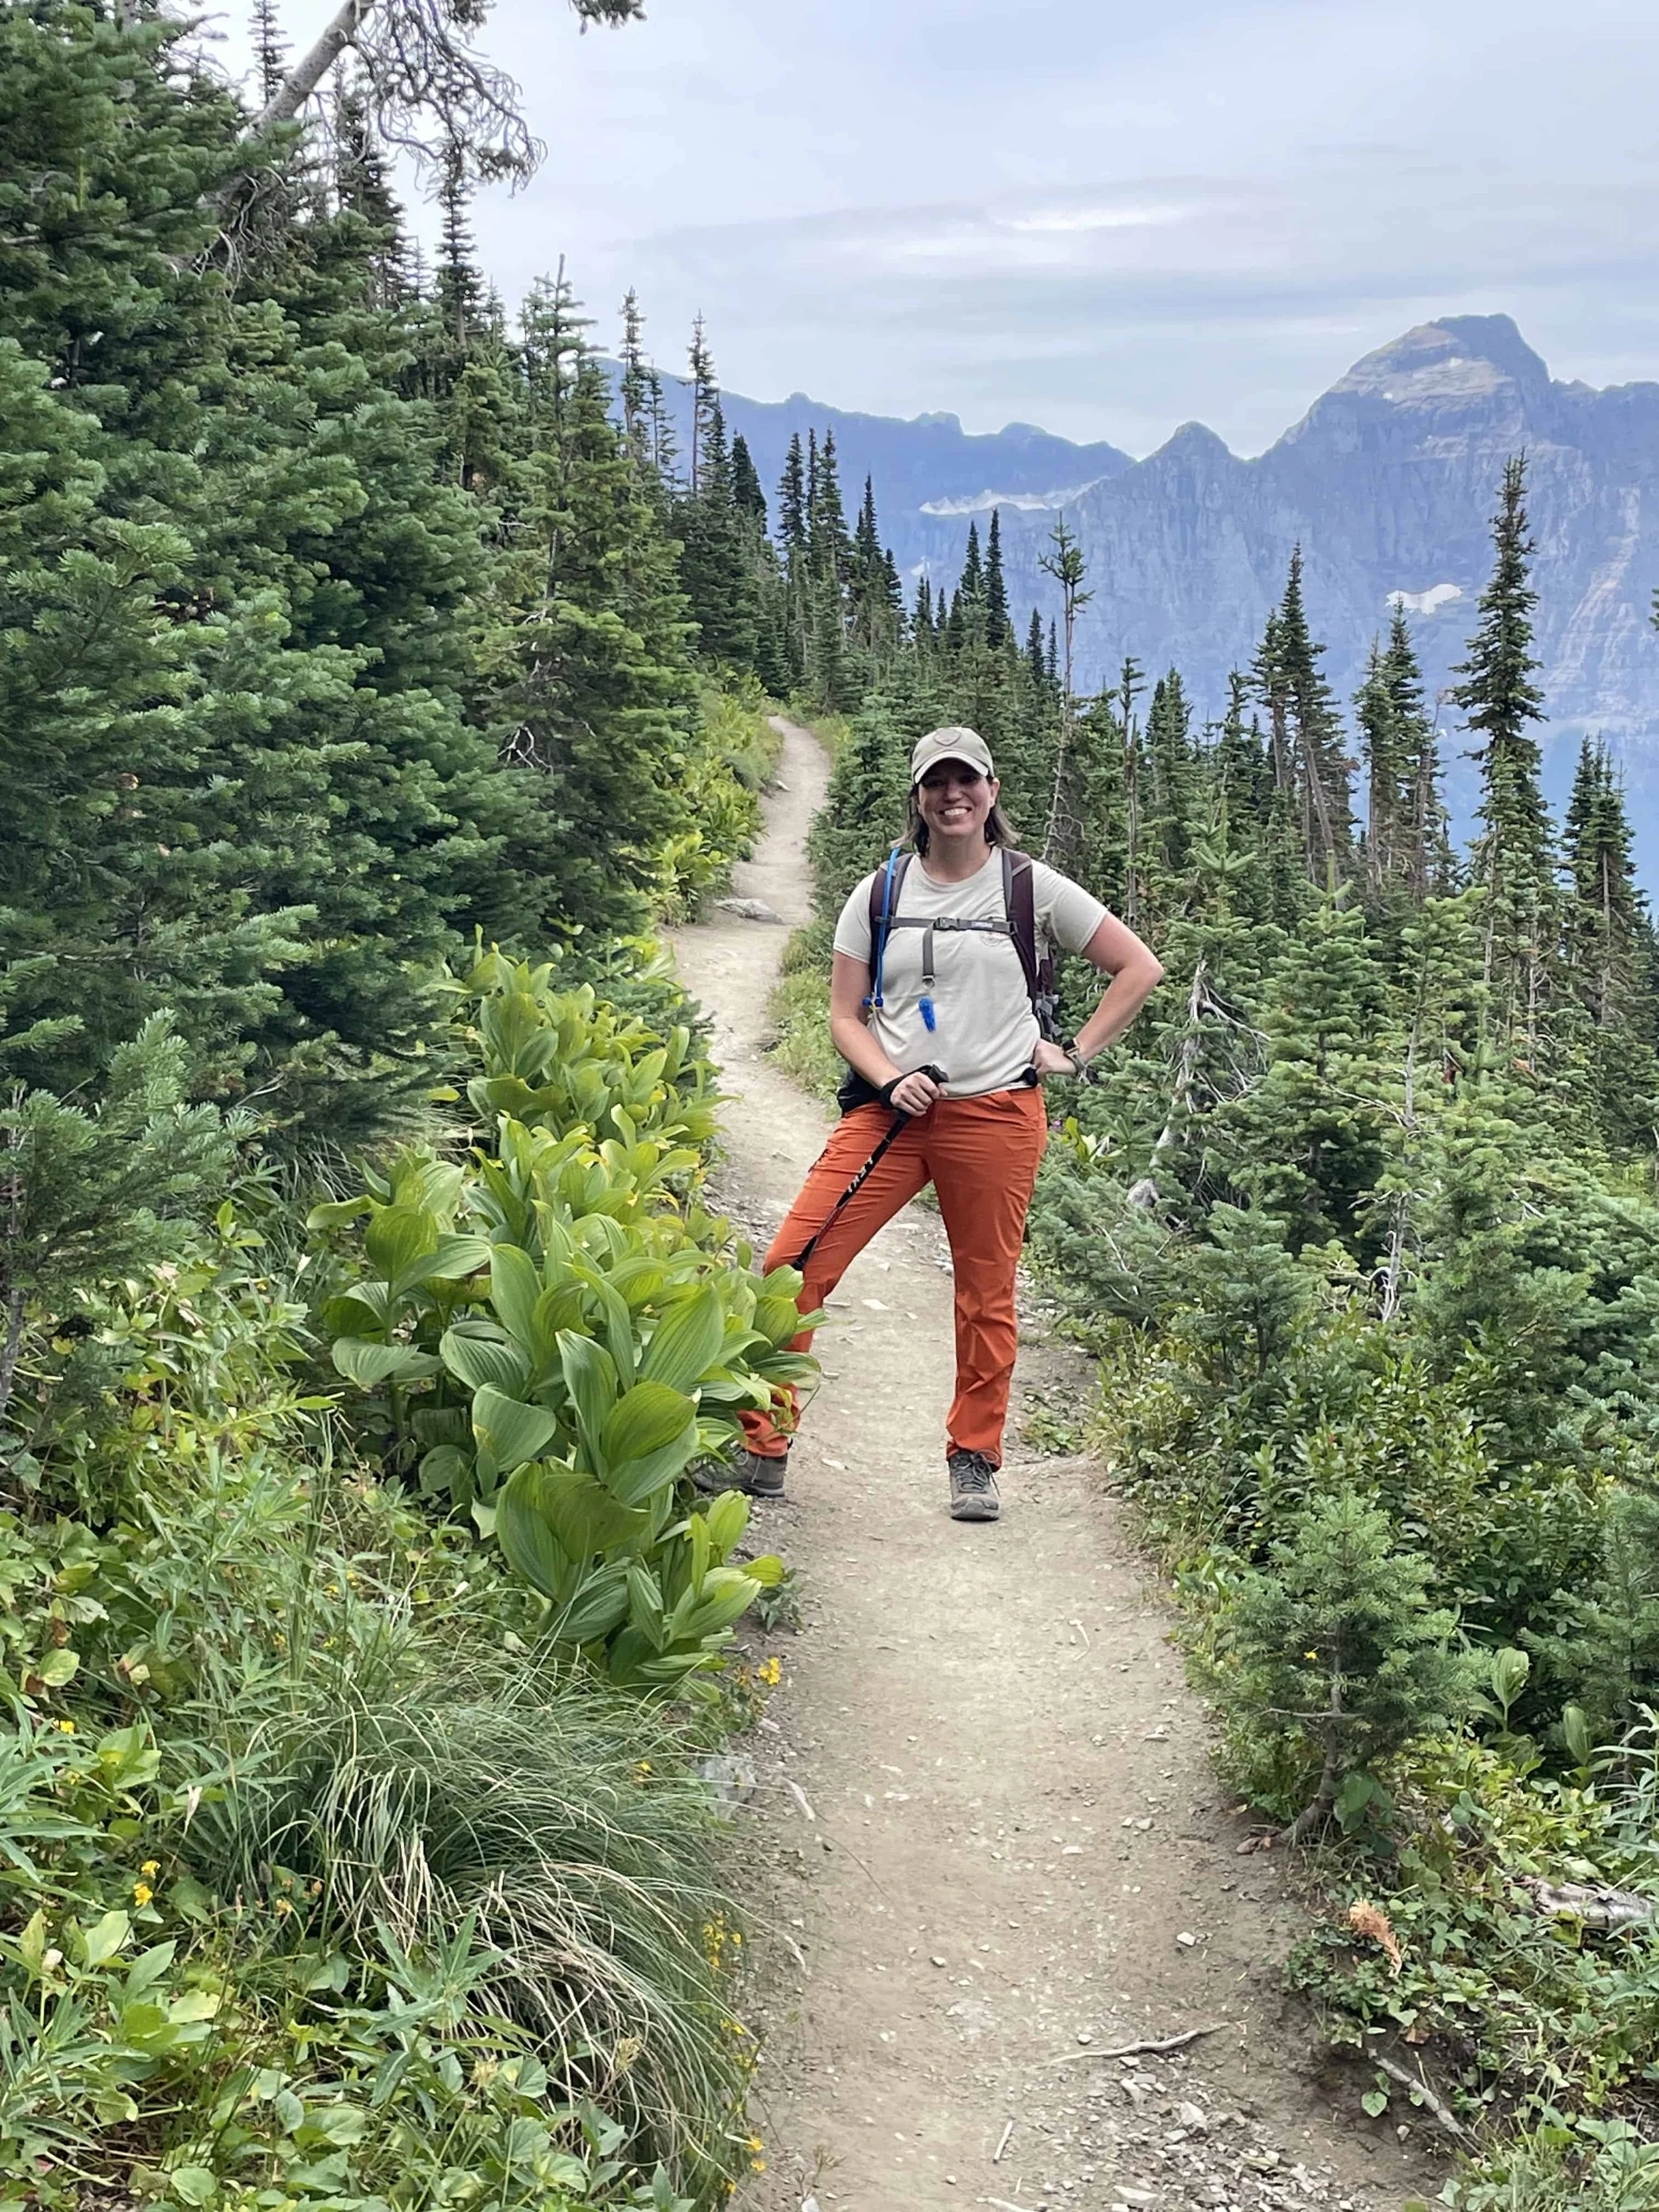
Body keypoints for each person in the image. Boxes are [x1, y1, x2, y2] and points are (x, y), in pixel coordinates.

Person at [731, 725, 1164, 1522]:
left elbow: (1139, 967)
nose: (953, 795)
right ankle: (762, 1445)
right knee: (792, 1267)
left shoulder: (1033, 889)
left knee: (985, 1291)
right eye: (937, 783)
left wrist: (1072, 1052)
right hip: (891, 1117)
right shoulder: (882, 892)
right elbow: (843, 1016)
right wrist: (890, 1078)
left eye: (967, 781)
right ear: (919, 798)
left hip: (998, 1114)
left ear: (993, 793)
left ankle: (975, 1459)